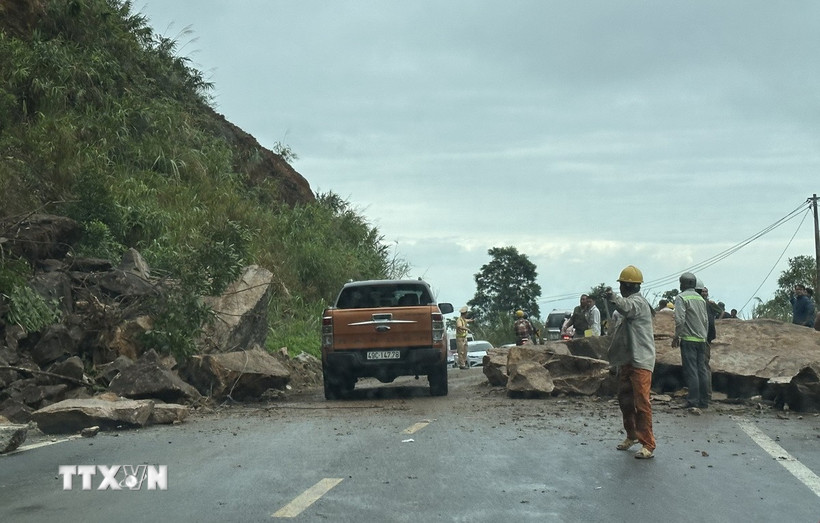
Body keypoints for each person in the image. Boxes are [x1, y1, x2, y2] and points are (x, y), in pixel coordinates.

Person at [605, 265, 656, 459]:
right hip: (628, 360)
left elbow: (626, 307)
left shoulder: (637, 303)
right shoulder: (632, 303)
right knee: (625, 400)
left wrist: (612, 298)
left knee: (641, 403)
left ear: (626, 286)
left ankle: (648, 444)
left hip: (641, 360)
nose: (620, 289)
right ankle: (632, 435)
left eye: (621, 285)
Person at [673, 273, 710, 412]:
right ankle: (704, 401)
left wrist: (677, 336)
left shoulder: (681, 297)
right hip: (701, 339)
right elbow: (705, 320)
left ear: (682, 284)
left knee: (691, 371)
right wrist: (704, 337)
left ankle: (693, 400)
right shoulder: (701, 299)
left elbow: (680, 319)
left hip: (688, 339)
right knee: (702, 370)